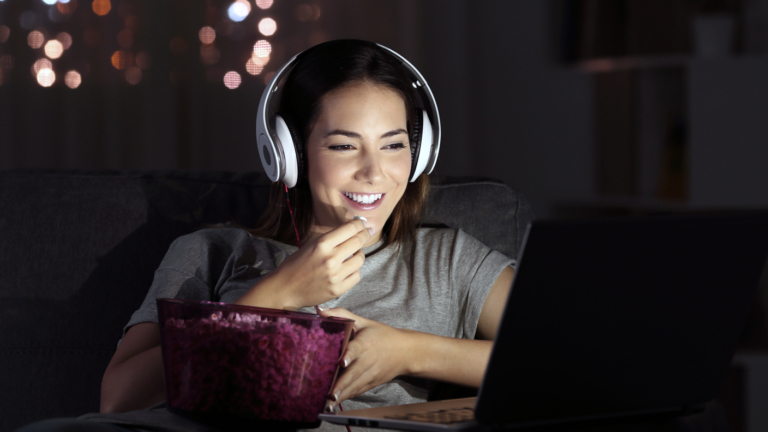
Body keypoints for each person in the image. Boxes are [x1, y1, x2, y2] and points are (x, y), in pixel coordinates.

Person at [16, 39, 515, 432]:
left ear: (420, 152)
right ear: (288, 153)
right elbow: (120, 399)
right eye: (344, 146)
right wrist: (274, 297)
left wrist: (408, 351)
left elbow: (555, 360)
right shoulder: (209, 253)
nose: (374, 172)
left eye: (394, 145)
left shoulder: (449, 261)